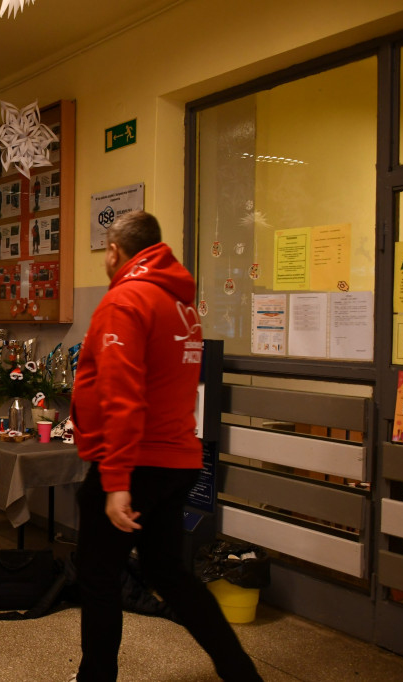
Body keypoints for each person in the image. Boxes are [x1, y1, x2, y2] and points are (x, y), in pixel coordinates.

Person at [70, 211, 261, 682]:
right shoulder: (180, 306)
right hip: (175, 458)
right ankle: (241, 672)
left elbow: (121, 394)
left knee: (96, 575)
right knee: (169, 574)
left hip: (135, 462)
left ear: (114, 251)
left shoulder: (127, 300)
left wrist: (115, 483)